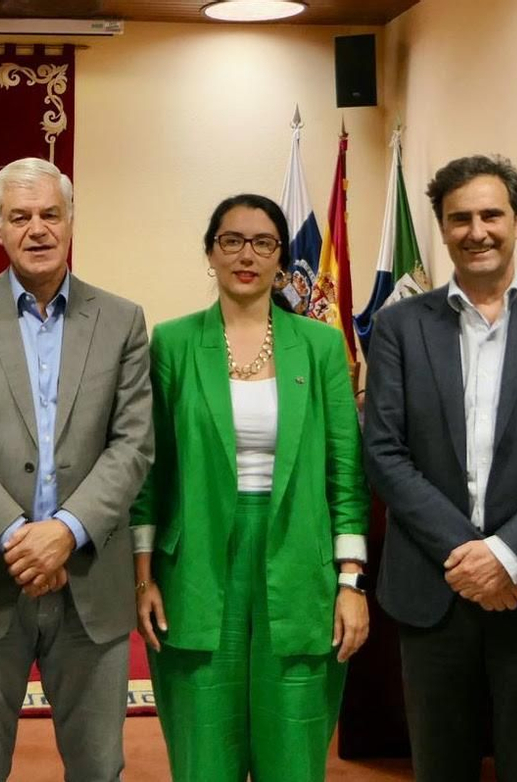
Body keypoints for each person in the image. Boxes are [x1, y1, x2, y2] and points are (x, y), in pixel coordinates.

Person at [360, 154, 517, 782]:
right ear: (443, 229)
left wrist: (507, 554)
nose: (477, 231)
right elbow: (384, 452)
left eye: (491, 215)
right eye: (460, 218)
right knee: (439, 767)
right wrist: (470, 557)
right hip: (433, 586)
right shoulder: (397, 326)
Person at [0, 156, 154, 782]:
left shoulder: (122, 320)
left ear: (71, 219)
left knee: (99, 768)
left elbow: (133, 445)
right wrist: (18, 538)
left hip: (89, 581)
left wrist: (66, 531)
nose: (38, 228)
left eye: (51, 213)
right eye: (20, 216)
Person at [130, 193, 371, 781]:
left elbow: (345, 473)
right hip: (195, 566)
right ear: (210, 253)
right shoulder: (173, 342)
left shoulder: (318, 347)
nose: (246, 255)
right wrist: (143, 577)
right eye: (231, 241)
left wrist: (350, 582)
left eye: (263, 243)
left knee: (292, 747)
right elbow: (150, 470)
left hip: (300, 564)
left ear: (282, 260)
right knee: (204, 748)